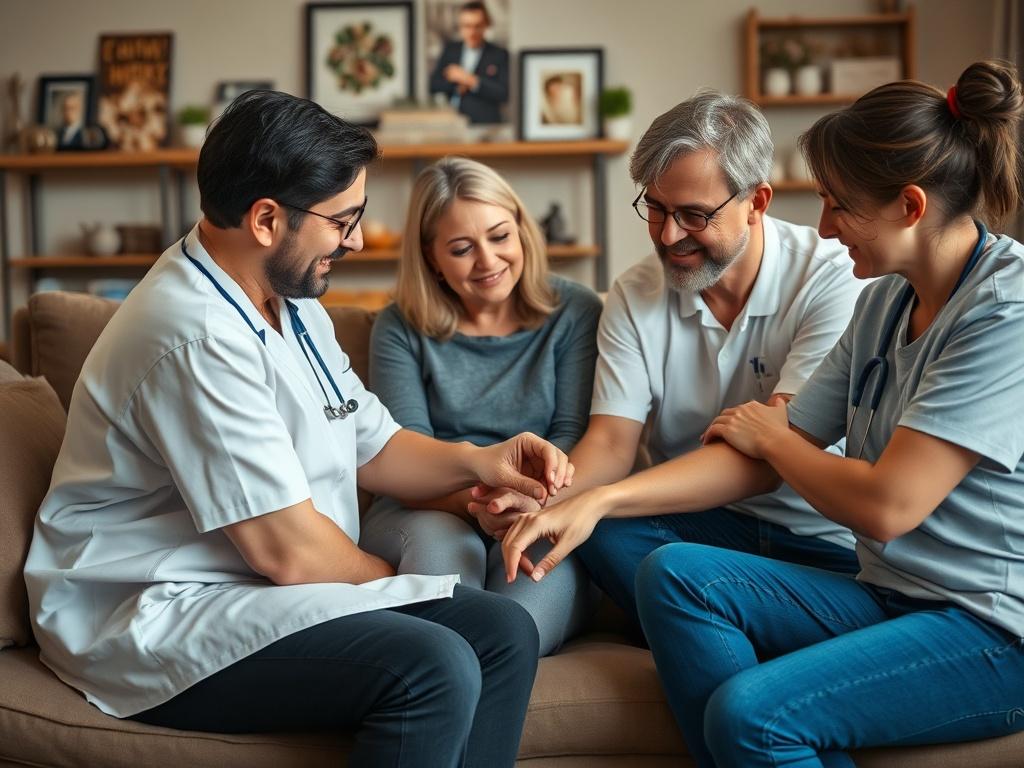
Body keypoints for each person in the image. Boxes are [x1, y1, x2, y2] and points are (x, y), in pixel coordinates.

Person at [23, 90, 573, 768]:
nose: (351, 239)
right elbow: (288, 552)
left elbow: (373, 443)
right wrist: (402, 584)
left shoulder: (291, 297)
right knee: (431, 665)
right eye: (342, 221)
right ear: (265, 220)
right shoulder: (193, 335)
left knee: (505, 630)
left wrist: (482, 462)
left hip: (253, 591)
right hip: (156, 611)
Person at [633, 60, 1024, 766]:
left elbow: (887, 507)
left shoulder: (1005, 314)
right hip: (889, 594)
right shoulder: (883, 301)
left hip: (992, 631)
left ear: (910, 207)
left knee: (751, 715)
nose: (823, 225)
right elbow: (770, 447)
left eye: (838, 204)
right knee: (672, 570)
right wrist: (597, 502)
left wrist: (772, 438)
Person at [480, 90, 864, 623]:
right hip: (693, 526)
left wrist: (603, 500)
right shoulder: (635, 294)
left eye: (694, 215)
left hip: (814, 541)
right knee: (599, 532)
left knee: (611, 524)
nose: (668, 235)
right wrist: (543, 503)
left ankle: (701, 621)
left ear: (757, 202)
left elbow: (769, 463)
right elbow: (612, 444)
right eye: (655, 209)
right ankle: (726, 622)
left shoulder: (831, 279)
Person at [359, 156, 603, 656]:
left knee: (518, 631)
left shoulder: (575, 311)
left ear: (521, 230)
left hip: (542, 504)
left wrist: (527, 501)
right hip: (427, 507)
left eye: (499, 236)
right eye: (462, 248)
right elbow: (406, 450)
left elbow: (571, 432)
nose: (488, 261)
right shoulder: (399, 327)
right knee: (449, 622)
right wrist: (481, 504)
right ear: (432, 259)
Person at [429, 1, 508, 124]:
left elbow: (503, 93)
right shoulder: (451, 50)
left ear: (486, 25)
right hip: (451, 122)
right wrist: (456, 83)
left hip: (484, 124)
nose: (472, 32)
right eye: (467, 26)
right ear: (460, 26)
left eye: (477, 26)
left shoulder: (498, 54)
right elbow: (434, 84)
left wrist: (470, 80)